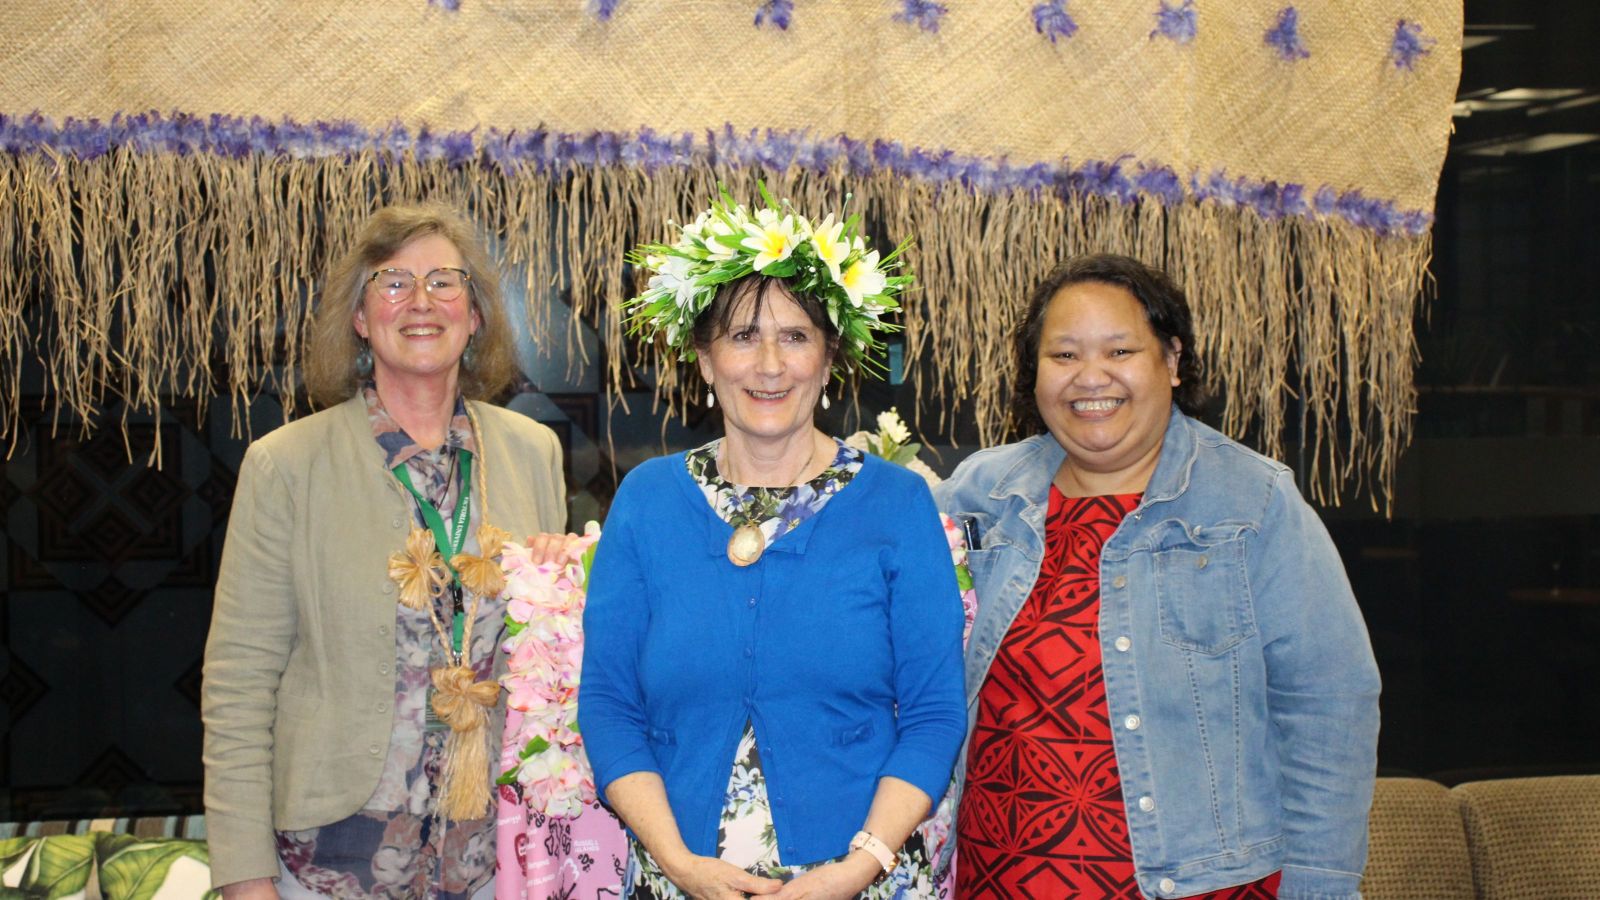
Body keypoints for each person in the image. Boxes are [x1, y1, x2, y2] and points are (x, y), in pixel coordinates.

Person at [934, 254, 1381, 900]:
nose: (1091, 378)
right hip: (998, 880)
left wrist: (1320, 888)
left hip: (1198, 886)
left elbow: (1329, 707)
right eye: (1063, 356)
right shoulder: (979, 496)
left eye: (1120, 350)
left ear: (1171, 360)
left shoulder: (1252, 504)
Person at [578, 192, 967, 899]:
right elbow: (609, 704)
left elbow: (935, 711)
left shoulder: (896, 504)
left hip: (857, 880)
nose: (768, 365)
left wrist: (856, 869)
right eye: (741, 336)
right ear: (702, 359)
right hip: (682, 877)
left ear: (828, 361)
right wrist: (677, 861)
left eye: (794, 337)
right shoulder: (647, 499)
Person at [202, 203, 567, 899]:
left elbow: (552, 661)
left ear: (477, 314)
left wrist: (566, 587)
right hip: (333, 854)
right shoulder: (286, 465)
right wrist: (245, 878)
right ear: (361, 318)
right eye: (394, 283)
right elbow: (238, 688)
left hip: (494, 854)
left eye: (444, 282)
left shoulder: (531, 453)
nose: (422, 302)